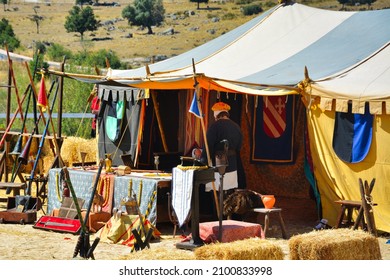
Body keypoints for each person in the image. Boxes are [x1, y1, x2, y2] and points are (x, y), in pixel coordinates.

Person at [200, 101, 244, 194]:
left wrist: (202, 163)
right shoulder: (236, 127)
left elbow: (208, 147)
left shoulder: (214, 127)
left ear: (216, 115)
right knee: (229, 193)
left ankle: (217, 209)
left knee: (216, 192)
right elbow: (239, 146)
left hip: (217, 165)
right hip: (232, 164)